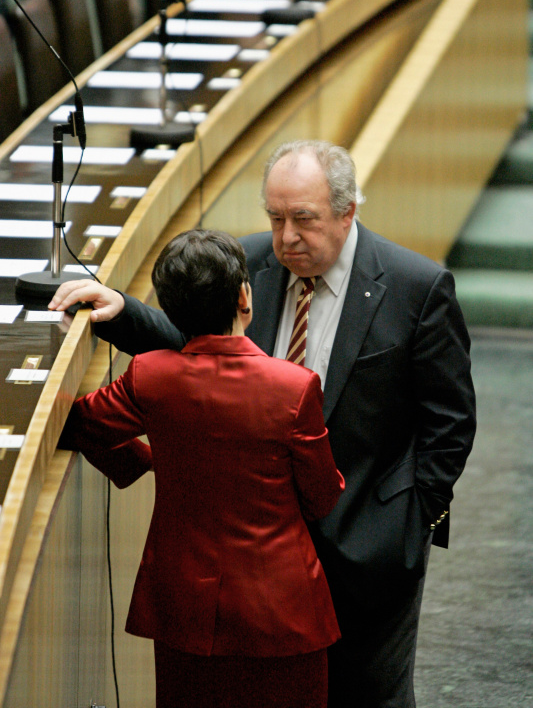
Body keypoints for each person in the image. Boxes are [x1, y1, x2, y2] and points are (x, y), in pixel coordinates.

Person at [51, 140, 477, 708]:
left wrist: (413, 517)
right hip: (267, 557)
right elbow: (195, 346)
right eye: (275, 219)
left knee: (370, 695)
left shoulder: (415, 287)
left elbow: (450, 420)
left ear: (348, 212)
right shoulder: (249, 263)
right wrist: (124, 311)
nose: (286, 238)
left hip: (368, 538)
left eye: (304, 219)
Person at [59, 228, 345, 708]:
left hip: (183, 607)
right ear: (244, 297)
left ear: (170, 310)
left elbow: (81, 425)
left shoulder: (150, 376)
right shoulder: (293, 387)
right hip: (281, 607)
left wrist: (147, 461)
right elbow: (321, 496)